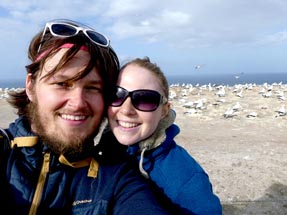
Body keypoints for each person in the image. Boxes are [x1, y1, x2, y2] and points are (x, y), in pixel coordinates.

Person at [0, 19, 170, 215]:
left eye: (92, 88)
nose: (78, 102)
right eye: (62, 83)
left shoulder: (115, 181)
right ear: (30, 86)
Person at [106, 57, 223, 214]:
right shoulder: (101, 150)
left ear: (164, 111)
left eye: (145, 99)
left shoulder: (186, 180)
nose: (126, 110)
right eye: (116, 95)